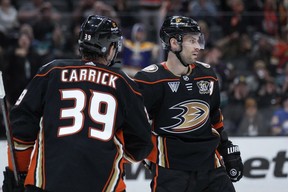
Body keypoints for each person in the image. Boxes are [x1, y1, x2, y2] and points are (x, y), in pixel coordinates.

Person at [2, 15, 153, 192]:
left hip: (47, 184)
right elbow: (142, 143)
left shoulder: (52, 71)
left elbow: (20, 130)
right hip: (104, 185)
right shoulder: (124, 83)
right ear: (111, 48)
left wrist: (17, 173)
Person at [134, 15, 243, 192]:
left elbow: (215, 118)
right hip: (170, 171)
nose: (198, 46)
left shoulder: (207, 74)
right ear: (174, 43)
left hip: (211, 168)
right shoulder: (149, 80)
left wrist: (227, 148)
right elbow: (134, 124)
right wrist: (146, 155)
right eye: (192, 41)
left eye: (198, 40)